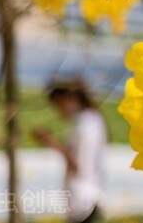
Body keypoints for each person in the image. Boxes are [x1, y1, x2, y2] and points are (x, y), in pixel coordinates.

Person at [32, 78, 107, 223]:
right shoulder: (83, 121)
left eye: (59, 105)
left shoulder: (87, 124)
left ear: (70, 99)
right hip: (80, 200)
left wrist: (52, 143)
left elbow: (80, 165)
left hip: (84, 200)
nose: (59, 111)